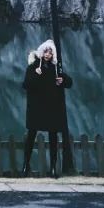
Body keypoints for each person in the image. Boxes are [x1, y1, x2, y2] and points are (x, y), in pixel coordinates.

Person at [21, 39, 72, 178]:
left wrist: (63, 80)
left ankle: (53, 168)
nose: (48, 54)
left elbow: (69, 82)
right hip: (37, 107)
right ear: (41, 51)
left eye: (50, 51)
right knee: (31, 135)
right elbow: (26, 85)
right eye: (46, 51)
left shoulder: (56, 68)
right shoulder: (33, 67)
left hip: (51, 107)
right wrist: (36, 75)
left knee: (53, 136)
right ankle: (26, 165)